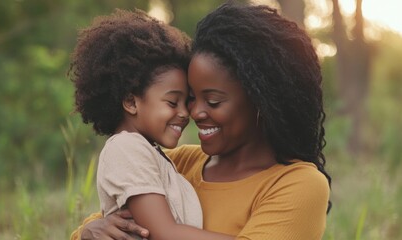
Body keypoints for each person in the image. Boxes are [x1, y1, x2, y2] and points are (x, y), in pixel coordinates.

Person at [71, 1, 332, 240]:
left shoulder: (298, 184)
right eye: (192, 98)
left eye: (214, 101)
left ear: (262, 101)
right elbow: (115, 217)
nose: (194, 113)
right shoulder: (177, 162)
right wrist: (87, 232)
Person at [68, 9, 235, 240]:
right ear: (131, 102)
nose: (186, 113)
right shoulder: (126, 148)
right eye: (172, 102)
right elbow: (166, 232)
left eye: (186, 102)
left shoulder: (147, 151)